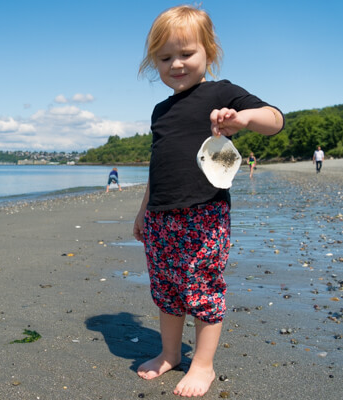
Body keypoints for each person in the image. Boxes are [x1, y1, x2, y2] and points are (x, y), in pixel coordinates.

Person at [133, 5, 284, 397]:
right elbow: (157, 162)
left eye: (186, 54)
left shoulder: (220, 93)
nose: (176, 64)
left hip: (205, 212)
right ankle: (170, 354)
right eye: (165, 58)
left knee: (201, 287)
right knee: (166, 288)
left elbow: (275, 118)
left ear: (208, 52)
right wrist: (143, 209)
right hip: (161, 216)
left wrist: (245, 119)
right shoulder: (160, 110)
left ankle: (203, 364)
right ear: (154, 63)